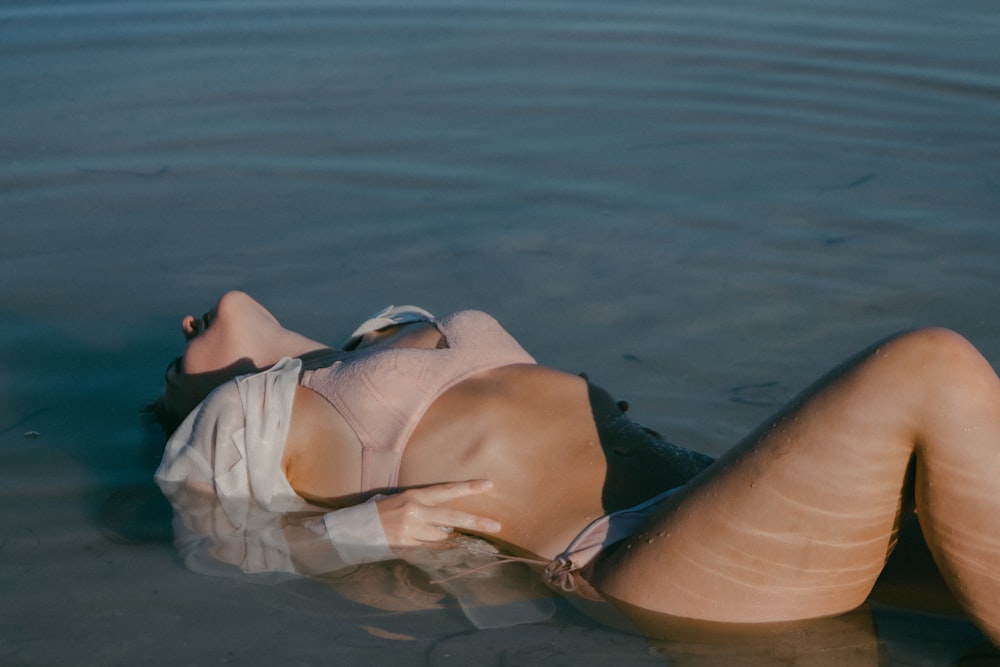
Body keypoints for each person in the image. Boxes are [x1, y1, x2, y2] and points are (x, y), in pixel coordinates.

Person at [154, 290, 1000, 645]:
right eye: (171, 368)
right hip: (633, 556)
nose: (188, 322)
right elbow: (210, 546)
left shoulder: (374, 336)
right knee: (930, 366)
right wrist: (359, 528)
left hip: (720, 496)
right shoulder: (239, 418)